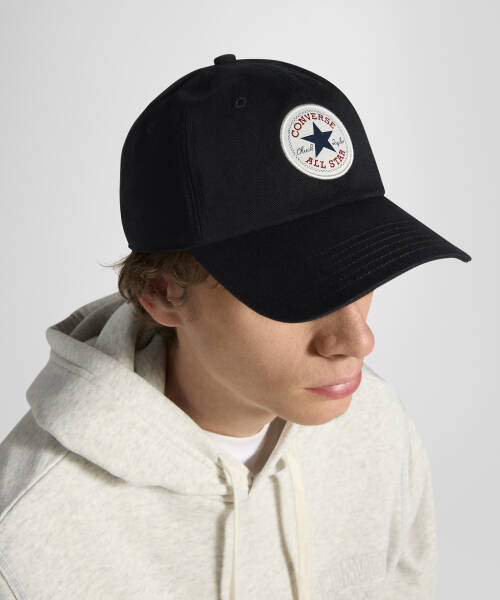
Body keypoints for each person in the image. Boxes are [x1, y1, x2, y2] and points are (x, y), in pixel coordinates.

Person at [0, 54, 471, 600]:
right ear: (162, 293)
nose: (358, 340)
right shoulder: (27, 532)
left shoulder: (378, 425)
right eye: (296, 293)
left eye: (362, 271)